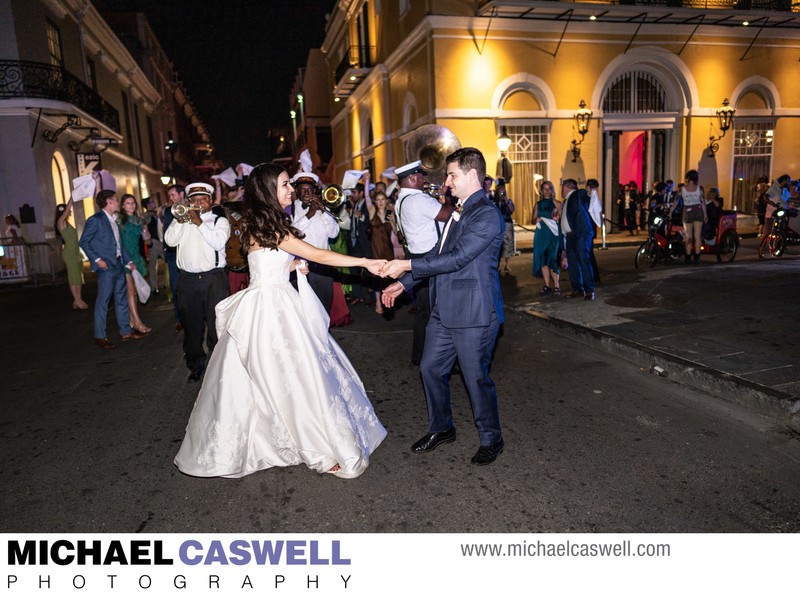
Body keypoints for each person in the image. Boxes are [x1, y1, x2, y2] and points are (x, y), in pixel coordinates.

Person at [173, 163, 387, 479]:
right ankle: (318, 448)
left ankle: (285, 435)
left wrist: (289, 266)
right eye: (286, 184)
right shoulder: (272, 228)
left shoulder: (264, 224)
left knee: (281, 378)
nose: (291, 189)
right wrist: (366, 262)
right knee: (295, 378)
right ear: (269, 189)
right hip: (270, 308)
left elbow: (264, 262)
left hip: (274, 298)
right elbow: (321, 255)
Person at [381, 147, 505, 466]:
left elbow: (457, 259)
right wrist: (404, 282)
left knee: (476, 379)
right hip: (444, 309)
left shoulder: (487, 214)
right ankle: (442, 428)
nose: (447, 182)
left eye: (452, 175)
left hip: (474, 313)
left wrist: (405, 265)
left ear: (472, 175)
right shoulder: (460, 210)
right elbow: (437, 253)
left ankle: (491, 437)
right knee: (430, 368)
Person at [164, 182, 231, 382]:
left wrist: (199, 222)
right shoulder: (183, 220)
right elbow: (169, 241)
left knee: (216, 324)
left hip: (214, 279)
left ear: (210, 201)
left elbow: (218, 242)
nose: (199, 203)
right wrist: (180, 220)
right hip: (188, 280)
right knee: (191, 327)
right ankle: (196, 366)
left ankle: (218, 364)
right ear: (189, 202)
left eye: (203, 199)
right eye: (194, 200)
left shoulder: (219, 221)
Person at [392, 159, 452, 366]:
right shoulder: (419, 200)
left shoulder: (401, 200)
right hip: (430, 258)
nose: (424, 180)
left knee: (424, 311)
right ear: (412, 178)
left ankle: (420, 356)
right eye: (420, 176)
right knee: (438, 312)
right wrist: (446, 197)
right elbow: (449, 216)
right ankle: (438, 359)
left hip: (415, 257)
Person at [78, 190, 145, 348]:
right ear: (108, 202)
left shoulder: (114, 220)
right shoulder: (96, 220)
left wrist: (128, 261)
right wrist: (97, 259)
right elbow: (84, 242)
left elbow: (120, 245)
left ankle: (125, 331)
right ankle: (100, 336)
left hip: (119, 264)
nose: (117, 203)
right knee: (104, 301)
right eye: (115, 200)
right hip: (106, 266)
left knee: (121, 299)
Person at [291, 170, 339, 313]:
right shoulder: (290, 209)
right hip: (301, 267)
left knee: (324, 307)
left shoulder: (323, 207)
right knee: (305, 310)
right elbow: (292, 234)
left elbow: (334, 233)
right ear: (297, 191)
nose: (307, 193)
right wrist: (310, 214)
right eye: (303, 189)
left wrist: (323, 210)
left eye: (310, 189)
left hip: (324, 265)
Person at [118, 194, 151, 334]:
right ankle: (138, 322)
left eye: (133, 203)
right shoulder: (119, 221)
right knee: (130, 290)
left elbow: (147, 242)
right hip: (125, 258)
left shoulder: (140, 220)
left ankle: (132, 320)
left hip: (137, 256)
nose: (131, 205)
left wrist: (147, 236)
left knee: (134, 292)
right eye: (127, 203)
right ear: (122, 206)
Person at [561, 178, 595, 300]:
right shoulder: (566, 201)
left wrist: (590, 190)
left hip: (581, 234)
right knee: (573, 264)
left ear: (566, 187)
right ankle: (577, 289)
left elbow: (585, 194)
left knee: (583, 261)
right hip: (570, 236)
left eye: (562, 187)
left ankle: (589, 290)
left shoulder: (577, 194)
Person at [365, 189, 398, 315]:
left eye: (382, 199)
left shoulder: (390, 212)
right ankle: (378, 301)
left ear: (386, 201)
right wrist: (367, 179)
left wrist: (392, 222)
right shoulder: (372, 211)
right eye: (378, 199)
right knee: (377, 276)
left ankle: (389, 299)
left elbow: (395, 232)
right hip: (375, 249)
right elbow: (367, 197)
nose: (380, 202)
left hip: (387, 249)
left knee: (389, 277)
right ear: (375, 202)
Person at [55, 198, 89, 309]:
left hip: (75, 251)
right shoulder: (61, 222)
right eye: (67, 210)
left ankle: (77, 300)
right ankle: (78, 300)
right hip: (70, 253)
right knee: (74, 277)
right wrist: (72, 198)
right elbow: (66, 211)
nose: (70, 211)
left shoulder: (67, 224)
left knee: (78, 276)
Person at [531, 180, 561, 295]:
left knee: (552, 258)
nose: (547, 191)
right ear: (541, 191)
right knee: (543, 258)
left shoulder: (557, 203)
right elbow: (532, 219)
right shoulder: (538, 205)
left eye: (549, 189)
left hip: (553, 235)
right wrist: (536, 220)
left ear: (552, 190)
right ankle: (547, 285)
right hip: (541, 234)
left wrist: (558, 219)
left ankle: (557, 286)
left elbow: (562, 219)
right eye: (545, 189)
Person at [163, 184, 185, 330]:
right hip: (173, 254)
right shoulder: (167, 211)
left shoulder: (191, 207)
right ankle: (179, 318)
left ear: (181, 194)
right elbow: (166, 231)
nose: (171, 198)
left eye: (173, 195)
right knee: (176, 286)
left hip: (187, 251)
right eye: (169, 195)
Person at [674, 169, 707, 265]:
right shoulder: (700, 189)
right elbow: (703, 202)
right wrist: (705, 215)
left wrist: (670, 212)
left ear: (687, 178)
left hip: (687, 211)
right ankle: (697, 258)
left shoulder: (682, 189)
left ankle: (688, 257)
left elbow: (675, 202)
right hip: (698, 211)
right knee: (697, 236)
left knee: (688, 236)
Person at [493, 178, 516, 273]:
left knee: (508, 244)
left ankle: (507, 264)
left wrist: (506, 199)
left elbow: (512, 210)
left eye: (503, 191)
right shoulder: (494, 201)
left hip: (507, 224)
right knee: (498, 245)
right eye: (500, 191)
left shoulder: (508, 201)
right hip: (498, 224)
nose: (501, 193)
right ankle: (498, 264)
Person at [143, 198, 163, 295]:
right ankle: (153, 288)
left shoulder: (156, 213)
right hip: (154, 242)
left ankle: (157, 286)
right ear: (147, 205)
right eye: (151, 202)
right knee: (152, 266)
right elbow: (144, 226)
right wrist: (148, 241)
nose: (153, 203)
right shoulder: (147, 216)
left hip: (161, 242)